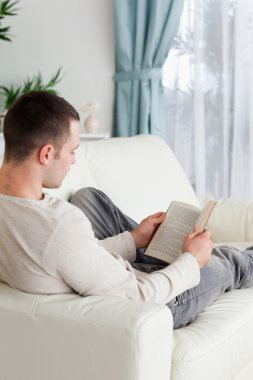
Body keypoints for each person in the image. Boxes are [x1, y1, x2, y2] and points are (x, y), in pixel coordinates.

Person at [0, 91, 252, 329]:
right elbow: (140, 296)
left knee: (87, 196)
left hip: (99, 272)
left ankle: (157, 249)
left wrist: (133, 239)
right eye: (72, 151)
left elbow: (71, 255)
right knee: (231, 260)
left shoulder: (28, 216)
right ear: (46, 154)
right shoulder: (58, 225)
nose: (74, 160)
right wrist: (191, 260)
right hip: (159, 299)